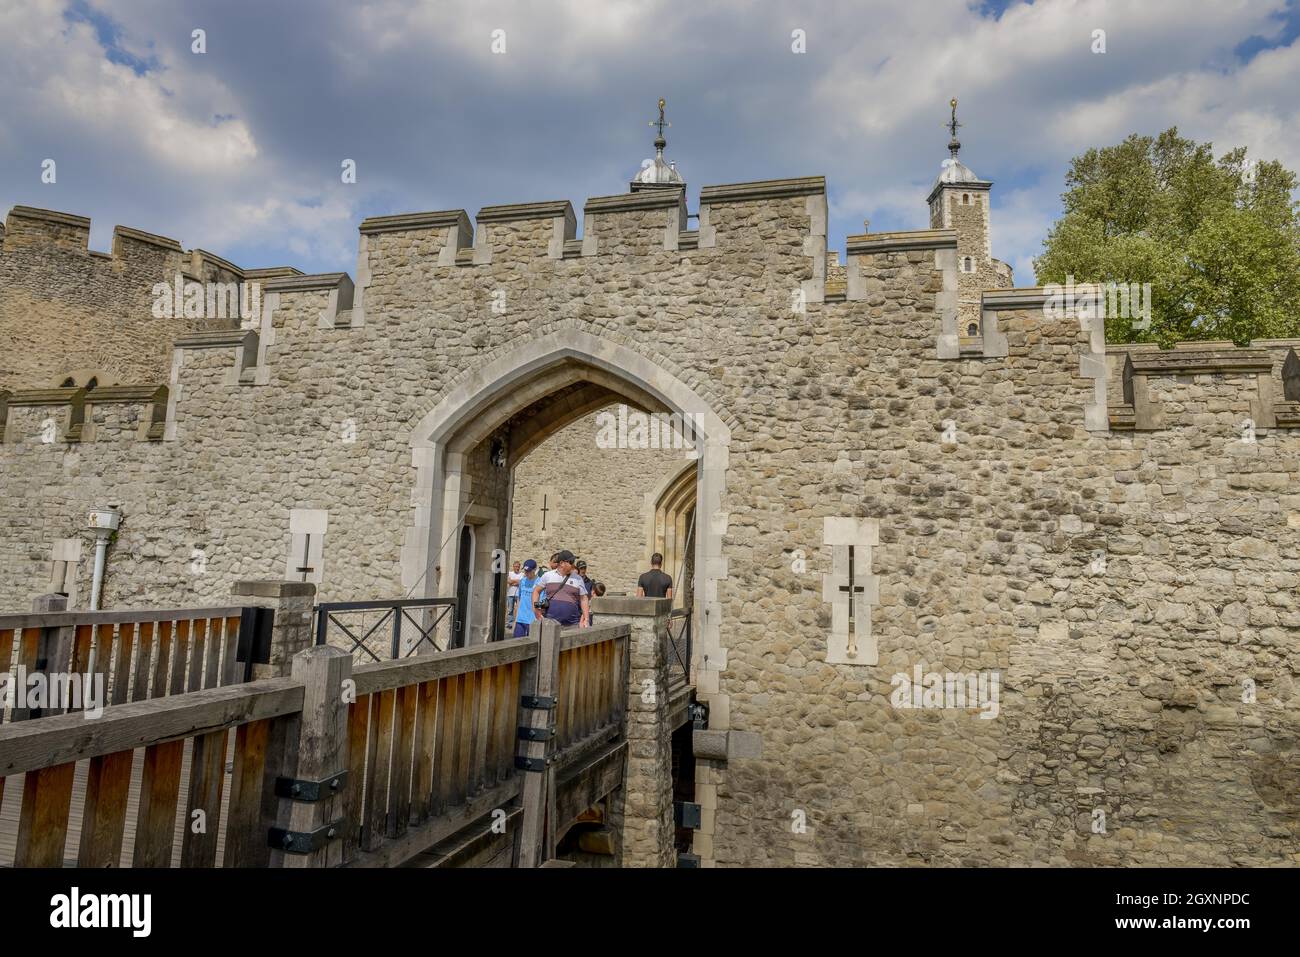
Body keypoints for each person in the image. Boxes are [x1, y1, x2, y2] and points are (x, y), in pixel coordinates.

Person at [533, 550, 590, 627]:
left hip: (572, 625)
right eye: (571, 562)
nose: (573, 564)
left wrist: (586, 619)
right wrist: (536, 610)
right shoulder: (548, 576)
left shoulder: (578, 579)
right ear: (561, 563)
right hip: (549, 625)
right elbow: (536, 591)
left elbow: (584, 598)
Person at [512, 559, 541, 637]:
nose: (526, 573)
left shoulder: (540, 583)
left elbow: (542, 603)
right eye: (525, 571)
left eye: (529, 571)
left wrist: (539, 618)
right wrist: (515, 620)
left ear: (535, 570)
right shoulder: (522, 581)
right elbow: (519, 600)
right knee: (516, 644)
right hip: (520, 619)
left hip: (533, 620)